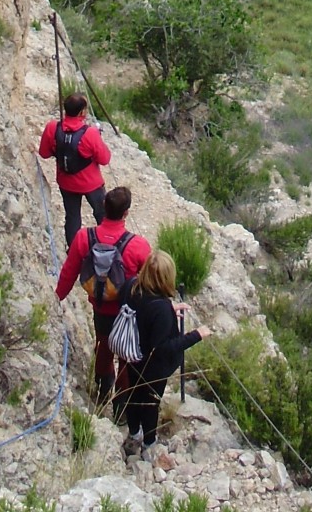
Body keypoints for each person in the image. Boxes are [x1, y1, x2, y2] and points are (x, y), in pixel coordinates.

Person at [55, 186, 151, 414]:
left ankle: (101, 393)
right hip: (127, 313)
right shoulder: (138, 246)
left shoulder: (83, 237)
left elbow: (69, 272)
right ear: (126, 213)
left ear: (103, 208)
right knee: (127, 357)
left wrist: (57, 298)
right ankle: (121, 409)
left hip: (101, 308)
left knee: (103, 349)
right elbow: (150, 283)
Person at [120, 250, 211, 460]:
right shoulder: (160, 308)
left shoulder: (131, 286)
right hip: (152, 367)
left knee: (133, 395)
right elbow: (163, 347)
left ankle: (134, 434)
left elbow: (142, 312)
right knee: (151, 402)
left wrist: (170, 310)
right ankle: (149, 444)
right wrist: (196, 335)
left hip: (131, 355)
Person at [39, 93, 112, 246]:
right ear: (82, 112)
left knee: (72, 217)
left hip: (66, 182)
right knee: (102, 214)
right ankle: (107, 246)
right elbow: (105, 159)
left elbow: (44, 153)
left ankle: (73, 251)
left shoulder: (53, 127)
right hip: (90, 183)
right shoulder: (90, 133)